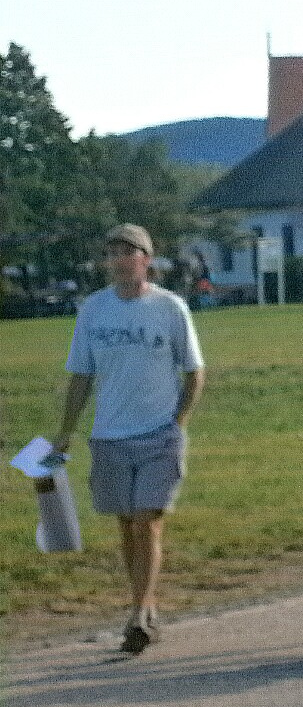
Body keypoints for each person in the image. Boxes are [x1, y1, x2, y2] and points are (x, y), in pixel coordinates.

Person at [51, 224, 206, 653]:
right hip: (109, 435)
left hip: (159, 433)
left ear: (146, 259)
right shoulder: (94, 311)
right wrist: (65, 432)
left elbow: (194, 372)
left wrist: (179, 421)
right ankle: (146, 603)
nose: (120, 260)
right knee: (126, 525)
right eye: (113, 253)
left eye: (129, 252)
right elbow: (81, 375)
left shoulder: (170, 308)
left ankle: (138, 614)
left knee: (147, 520)